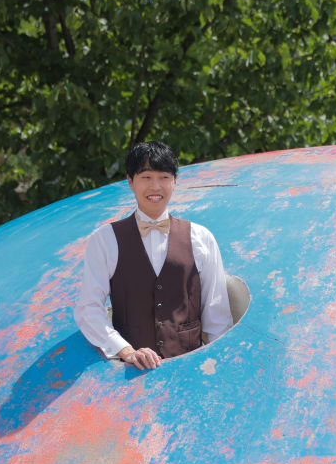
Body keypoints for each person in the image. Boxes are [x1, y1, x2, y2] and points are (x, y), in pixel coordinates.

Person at [74, 141, 233, 370]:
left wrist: (215, 368)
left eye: (164, 177)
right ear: (130, 181)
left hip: (189, 368)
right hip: (130, 374)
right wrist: (126, 351)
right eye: (146, 177)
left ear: (175, 181)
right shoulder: (105, 239)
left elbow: (216, 313)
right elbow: (88, 308)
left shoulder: (202, 237)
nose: (155, 187)